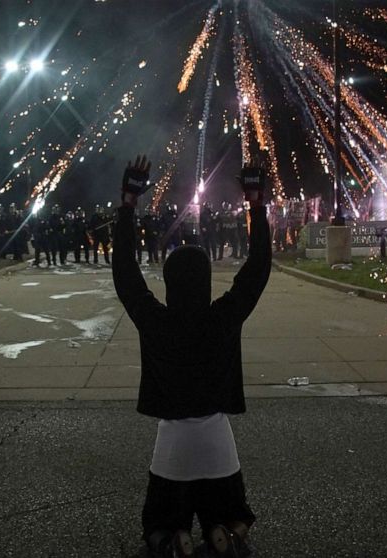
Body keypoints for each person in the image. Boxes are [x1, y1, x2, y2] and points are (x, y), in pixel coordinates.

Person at [113, 155, 270, 558]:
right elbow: (257, 269)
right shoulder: (223, 318)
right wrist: (256, 203)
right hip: (217, 437)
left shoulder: (156, 321)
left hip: (173, 441)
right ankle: (224, 532)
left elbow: (125, 274)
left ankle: (173, 539)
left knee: (160, 518)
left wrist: (128, 205)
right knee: (232, 510)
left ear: (168, 282)